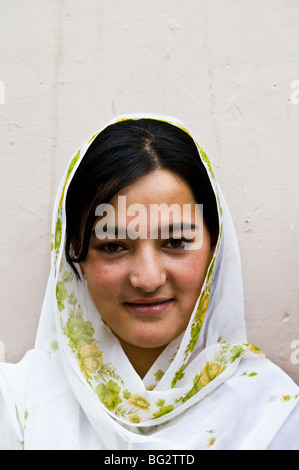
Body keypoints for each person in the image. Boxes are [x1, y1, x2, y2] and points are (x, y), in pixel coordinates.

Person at [0, 113, 298, 450]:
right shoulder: (14, 407)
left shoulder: (274, 415)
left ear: (216, 250)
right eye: (113, 246)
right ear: (75, 255)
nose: (147, 278)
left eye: (175, 243)